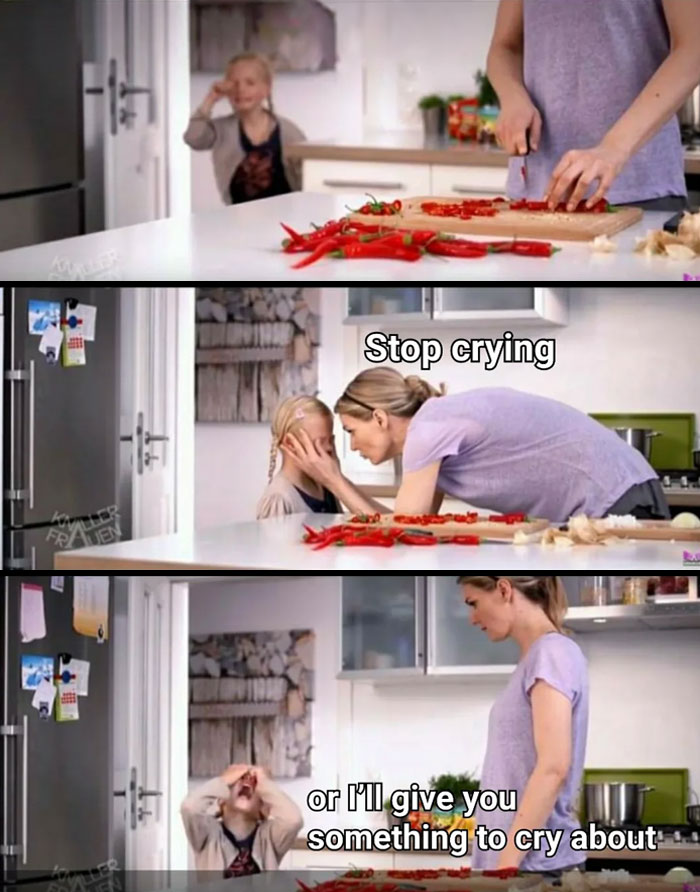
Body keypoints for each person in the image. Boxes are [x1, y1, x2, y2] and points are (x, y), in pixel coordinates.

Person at [279, 367, 671, 523]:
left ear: (380, 418)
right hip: (626, 489)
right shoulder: (434, 432)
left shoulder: (428, 430)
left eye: (349, 430)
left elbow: (404, 530)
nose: (351, 444)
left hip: (617, 497)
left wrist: (333, 480)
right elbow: (418, 527)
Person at [487, 0, 700, 211]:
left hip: (638, 189)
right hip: (533, 192)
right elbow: (505, 47)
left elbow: (693, 49)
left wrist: (613, 147)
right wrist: (512, 96)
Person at [458, 575, 588, 879]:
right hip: (521, 866)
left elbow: (553, 767)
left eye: (473, 603)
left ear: (504, 589)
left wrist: (506, 864)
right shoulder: (536, 658)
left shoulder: (551, 653)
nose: (471, 618)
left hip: (534, 868)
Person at [183, 52, 305, 205]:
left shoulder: (289, 132)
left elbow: (307, 178)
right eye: (234, 83)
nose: (241, 89)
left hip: (284, 218)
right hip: (238, 219)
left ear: (266, 89)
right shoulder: (221, 129)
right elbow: (193, 138)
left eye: (250, 83)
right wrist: (211, 98)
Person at [181, 763, 303, 877]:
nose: (246, 782)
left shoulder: (269, 838)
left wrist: (264, 783)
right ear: (221, 800)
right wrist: (223, 780)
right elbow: (190, 807)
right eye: (237, 780)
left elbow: (293, 820)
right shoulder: (207, 833)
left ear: (263, 808)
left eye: (254, 783)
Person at [257, 395, 342, 519]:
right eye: (320, 441)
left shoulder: (326, 485)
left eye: (331, 440)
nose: (329, 448)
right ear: (291, 443)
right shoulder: (279, 499)